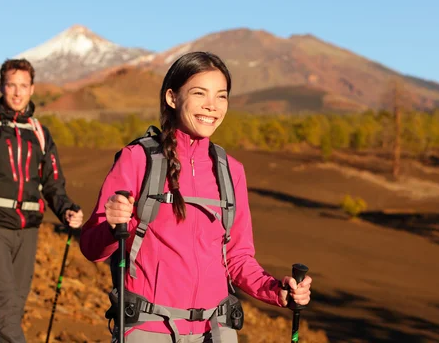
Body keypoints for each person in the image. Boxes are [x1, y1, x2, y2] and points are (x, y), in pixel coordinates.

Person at [80, 52, 312, 343]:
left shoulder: (232, 171)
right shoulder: (137, 159)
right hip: (149, 329)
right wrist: (113, 227)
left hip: (216, 331)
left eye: (221, 96)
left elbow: (238, 258)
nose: (211, 106)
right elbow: (91, 247)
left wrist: (277, 290)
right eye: (199, 93)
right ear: (172, 97)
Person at [0, 58, 84, 343]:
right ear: (1, 86)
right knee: (5, 307)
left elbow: (53, 184)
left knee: (11, 309)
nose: (17, 93)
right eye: (11, 85)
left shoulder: (40, 133)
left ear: (33, 89)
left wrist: (67, 210)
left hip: (29, 229)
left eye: (23, 86)